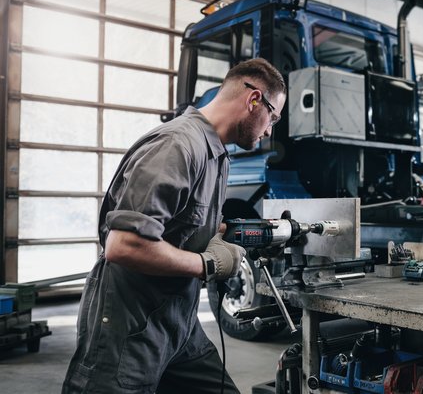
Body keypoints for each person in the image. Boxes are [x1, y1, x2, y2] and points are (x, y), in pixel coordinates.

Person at [61, 58, 287, 394]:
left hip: (178, 323)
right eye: (273, 116)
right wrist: (206, 264)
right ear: (254, 100)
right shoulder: (178, 145)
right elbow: (123, 245)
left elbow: (185, 229)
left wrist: (220, 241)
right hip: (131, 324)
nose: (270, 130)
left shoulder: (217, 156)